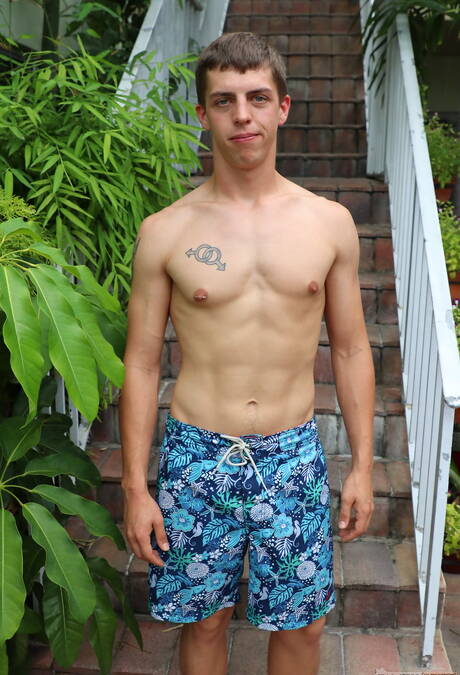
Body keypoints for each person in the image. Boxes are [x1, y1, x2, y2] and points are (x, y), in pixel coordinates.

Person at [119, 31, 375, 675]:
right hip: (197, 456)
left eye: (258, 98)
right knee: (204, 623)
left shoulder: (328, 224)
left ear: (282, 107)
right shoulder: (166, 232)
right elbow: (142, 364)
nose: (242, 115)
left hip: (292, 454)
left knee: (305, 626)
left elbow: (350, 349)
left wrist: (363, 466)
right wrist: (134, 488)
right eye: (224, 100)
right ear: (202, 114)